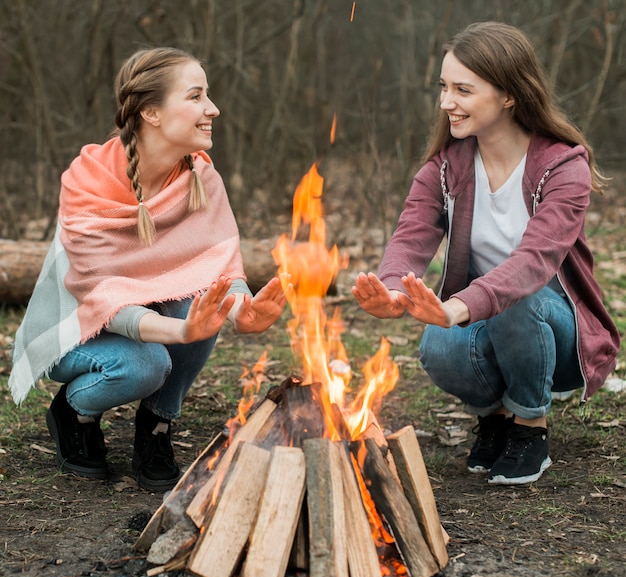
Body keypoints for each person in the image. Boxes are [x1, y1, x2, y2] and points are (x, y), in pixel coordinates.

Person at [9, 47, 289, 492]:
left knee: (207, 303)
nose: (212, 109)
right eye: (196, 96)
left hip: (151, 320)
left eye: (208, 96)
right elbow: (103, 301)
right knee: (146, 364)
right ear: (151, 113)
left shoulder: (200, 177)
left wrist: (242, 311)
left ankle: (156, 426)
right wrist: (180, 333)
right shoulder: (87, 181)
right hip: (78, 329)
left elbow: (219, 270)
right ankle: (73, 412)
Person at [353, 22, 620, 486]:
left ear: (509, 95)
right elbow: (411, 236)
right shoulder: (445, 167)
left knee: (519, 297)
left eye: (462, 89)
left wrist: (459, 305)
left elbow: (533, 262)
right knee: (436, 344)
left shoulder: (563, 166)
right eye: (443, 87)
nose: (445, 102)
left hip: (555, 336)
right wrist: (394, 291)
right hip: (484, 319)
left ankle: (530, 427)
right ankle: (496, 418)